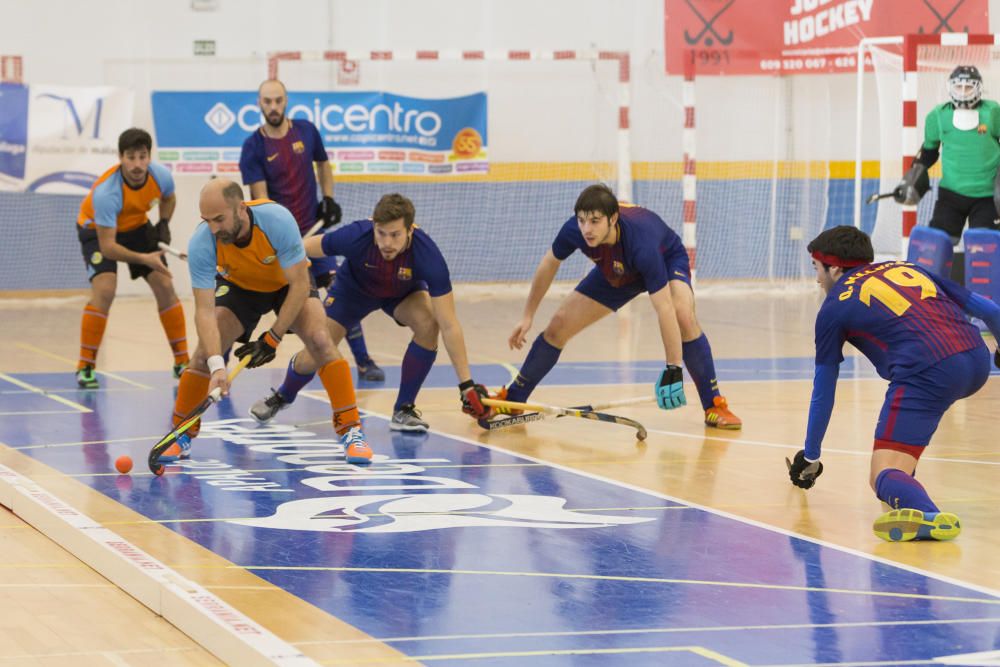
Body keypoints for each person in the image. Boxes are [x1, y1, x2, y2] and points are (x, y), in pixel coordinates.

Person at [788, 225, 1000, 542]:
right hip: (976, 358)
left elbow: (824, 392)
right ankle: (906, 491)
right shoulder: (908, 267)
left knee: (881, 474)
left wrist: (811, 455)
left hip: (928, 372)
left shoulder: (833, 308)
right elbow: (989, 308)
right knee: (898, 460)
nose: (817, 279)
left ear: (834, 267)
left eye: (817, 269)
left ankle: (928, 515)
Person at [496, 184, 741, 429]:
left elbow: (664, 309)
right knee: (558, 326)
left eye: (595, 221)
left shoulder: (642, 245)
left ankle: (714, 405)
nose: (587, 229)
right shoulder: (575, 230)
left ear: (612, 219)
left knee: (682, 315)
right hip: (617, 269)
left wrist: (673, 368)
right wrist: (528, 316)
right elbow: (549, 263)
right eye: (582, 220)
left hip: (664, 259)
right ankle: (515, 397)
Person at [163, 179, 371, 465]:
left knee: (321, 340)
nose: (213, 229)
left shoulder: (276, 219)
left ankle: (351, 431)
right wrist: (216, 365)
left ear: (240, 209)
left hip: (287, 284)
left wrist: (273, 337)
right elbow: (204, 311)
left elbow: (299, 285)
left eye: (219, 219)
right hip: (240, 287)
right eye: (207, 221)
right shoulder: (203, 241)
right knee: (200, 356)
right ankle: (179, 435)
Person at [247, 193, 494, 432]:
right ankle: (283, 395)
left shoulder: (428, 255)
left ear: (410, 230)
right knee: (316, 348)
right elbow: (303, 248)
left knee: (429, 323)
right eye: (381, 233)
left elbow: (449, 324)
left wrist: (466, 385)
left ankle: (403, 410)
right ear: (374, 226)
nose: (387, 243)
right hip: (352, 292)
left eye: (395, 235)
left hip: (402, 294)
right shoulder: (357, 235)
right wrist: (269, 261)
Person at [239, 78, 384, 382]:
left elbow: (323, 165)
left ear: (286, 100)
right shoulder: (253, 147)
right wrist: (281, 238)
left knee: (340, 291)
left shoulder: (306, 130)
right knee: (292, 301)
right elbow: (261, 200)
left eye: (278, 100)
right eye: (267, 101)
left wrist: (327, 197)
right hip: (282, 242)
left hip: (315, 236)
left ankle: (364, 361)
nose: (273, 106)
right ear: (259, 103)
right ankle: (220, 366)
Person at [74, 127, 188, 388]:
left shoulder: (161, 177)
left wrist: (164, 222)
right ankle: (85, 366)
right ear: (120, 157)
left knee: (165, 284)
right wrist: (144, 259)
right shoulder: (107, 194)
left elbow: (169, 198)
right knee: (105, 289)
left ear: (149, 156)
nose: (137, 164)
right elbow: (109, 247)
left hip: (136, 226)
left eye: (142, 156)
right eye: (131, 157)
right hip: (97, 229)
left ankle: (182, 363)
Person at [898, 66, 1000, 264]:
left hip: (987, 197)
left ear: (978, 88)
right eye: (959, 86)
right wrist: (914, 174)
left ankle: (988, 295)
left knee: (984, 252)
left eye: (968, 87)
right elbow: (929, 152)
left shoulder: (993, 113)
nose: (963, 92)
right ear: (950, 88)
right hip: (951, 195)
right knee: (936, 249)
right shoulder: (938, 116)